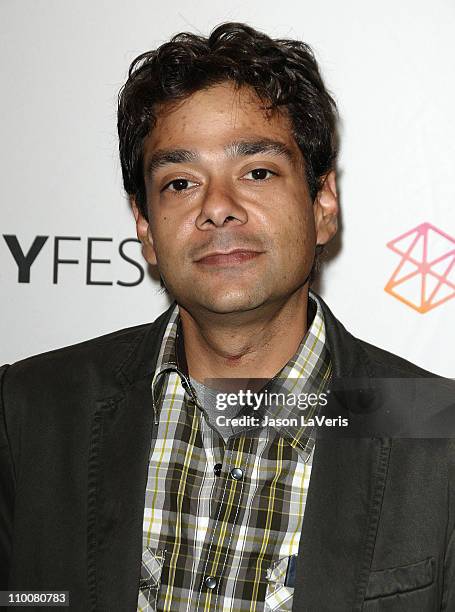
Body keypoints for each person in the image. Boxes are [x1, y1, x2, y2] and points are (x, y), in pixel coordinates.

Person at [1, 22, 454, 612]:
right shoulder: (31, 411)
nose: (217, 207)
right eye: (181, 182)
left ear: (323, 204)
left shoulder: (438, 435)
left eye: (257, 172)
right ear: (146, 230)